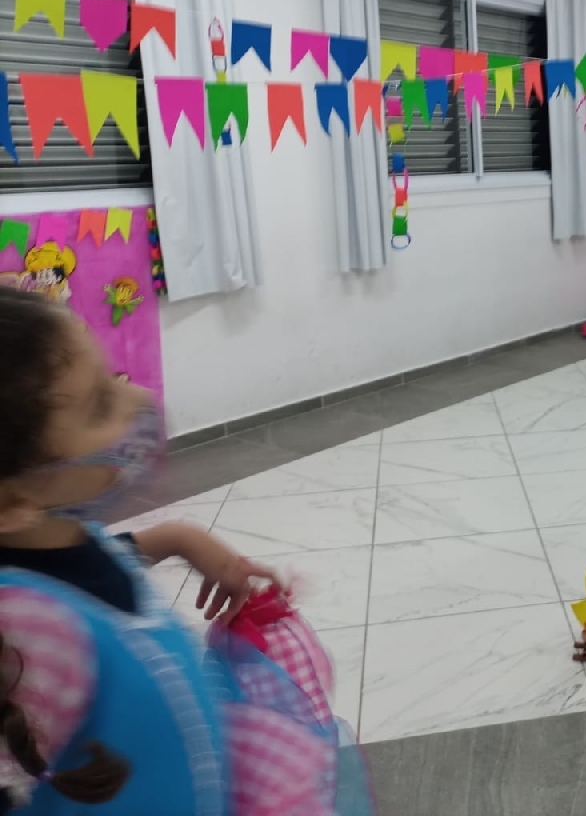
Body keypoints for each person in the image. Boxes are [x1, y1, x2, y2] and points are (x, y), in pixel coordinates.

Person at [0, 289, 371, 815]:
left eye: (114, 377)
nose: (137, 398)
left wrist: (181, 539)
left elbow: (92, 570)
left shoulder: (62, 539)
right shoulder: (26, 636)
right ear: (12, 503)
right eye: (100, 404)